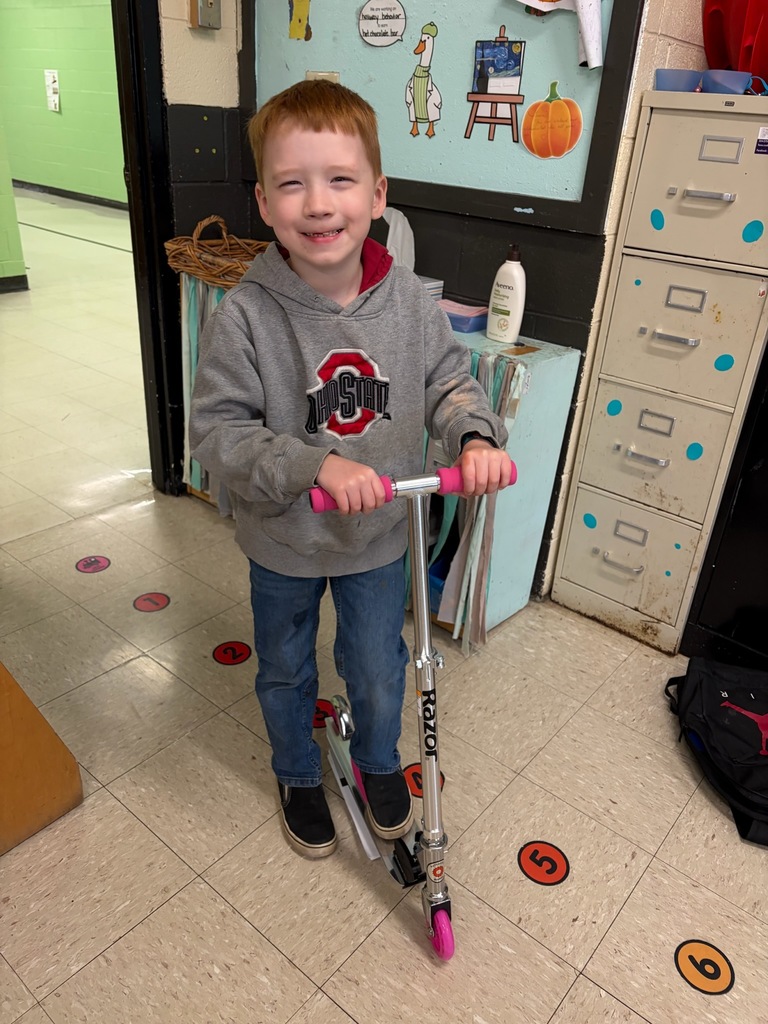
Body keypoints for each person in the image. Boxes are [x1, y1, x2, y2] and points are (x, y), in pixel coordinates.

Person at [189, 80, 512, 859]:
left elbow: (446, 378)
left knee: (376, 666)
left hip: (379, 537)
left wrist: (472, 434)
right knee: (286, 667)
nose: (318, 203)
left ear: (377, 194)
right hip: (284, 541)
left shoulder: (406, 300)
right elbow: (217, 433)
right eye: (292, 183)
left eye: (339, 180)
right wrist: (315, 464)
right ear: (264, 203)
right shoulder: (247, 315)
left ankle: (373, 759)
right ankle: (298, 770)